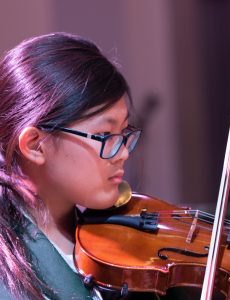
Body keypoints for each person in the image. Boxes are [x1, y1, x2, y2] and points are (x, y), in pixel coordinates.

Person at [0, 32, 144, 299]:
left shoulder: (123, 248)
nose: (123, 152)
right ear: (35, 144)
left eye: (124, 132)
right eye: (104, 136)